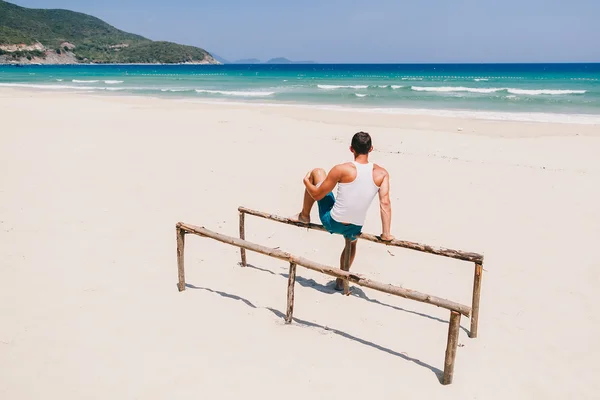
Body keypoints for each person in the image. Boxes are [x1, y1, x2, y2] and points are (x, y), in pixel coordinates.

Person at [293, 131, 393, 291]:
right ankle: (341, 279)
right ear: (371, 149)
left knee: (317, 172)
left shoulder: (341, 169)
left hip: (332, 222)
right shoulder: (382, 173)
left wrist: (306, 182)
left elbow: (318, 194)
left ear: (351, 149)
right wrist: (386, 233)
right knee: (352, 242)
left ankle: (304, 216)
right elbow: (385, 202)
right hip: (355, 227)